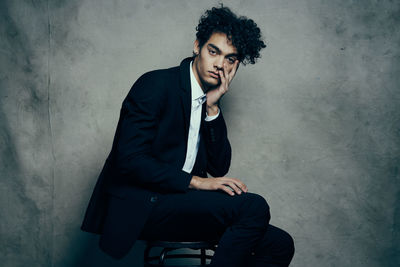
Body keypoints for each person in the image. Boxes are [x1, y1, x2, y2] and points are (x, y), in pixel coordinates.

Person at [81, 5, 295, 267]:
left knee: (280, 244)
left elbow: (218, 168)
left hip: (179, 205)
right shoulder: (156, 85)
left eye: (230, 58)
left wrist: (213, 109)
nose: (219, 64)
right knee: (254, 206)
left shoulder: (207, 101)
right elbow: (130, 160)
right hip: (145, 206)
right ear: (197, 46)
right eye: (213, 51)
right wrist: (195, 181)